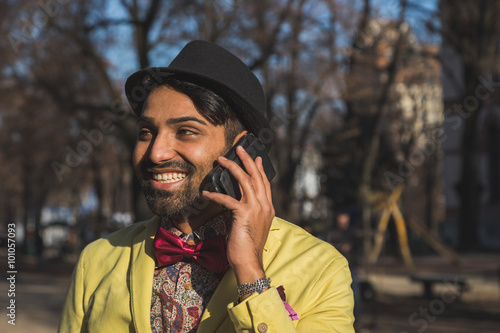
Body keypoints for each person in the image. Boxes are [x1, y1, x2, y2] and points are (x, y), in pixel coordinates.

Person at [58, 40, 354, 333]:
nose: (156, 153)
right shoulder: (96, 261)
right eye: (146, 132)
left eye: (186, 131)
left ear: (243, 151)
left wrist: (251, 273)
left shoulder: (322, 270)